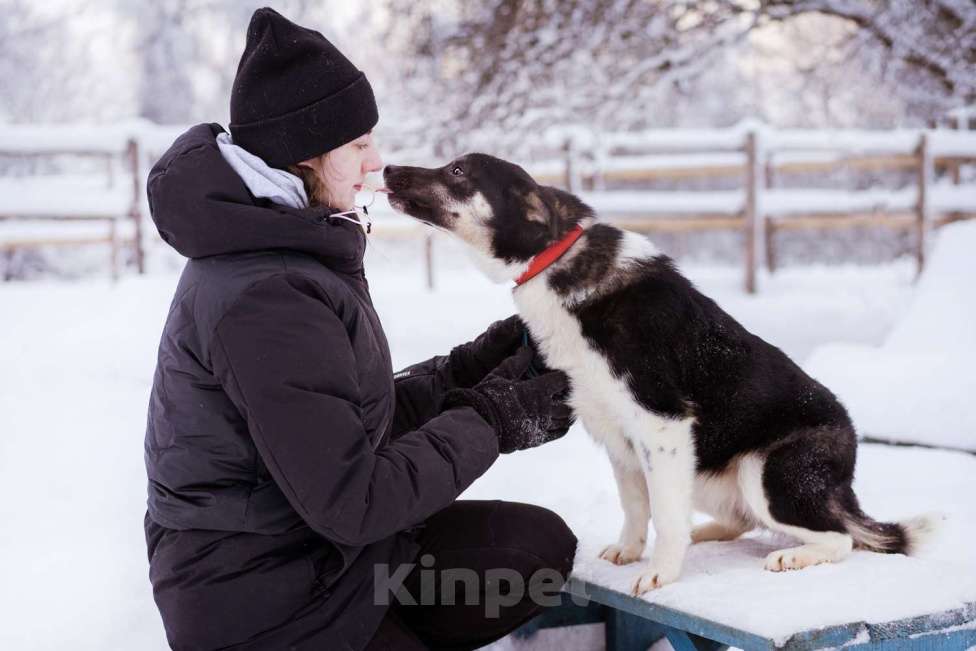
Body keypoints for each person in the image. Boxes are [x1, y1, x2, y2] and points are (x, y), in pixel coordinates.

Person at [143, 8, 578, 651]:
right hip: (265, 606)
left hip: (314, 559)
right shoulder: (268, 297)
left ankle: (387, 627)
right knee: (508, 565)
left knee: (528, 554)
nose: (376, 159)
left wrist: (465, 371)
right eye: (358, 143)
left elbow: (341, 429)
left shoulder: (283, 251)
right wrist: (490, 420)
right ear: (306, 155)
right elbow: (354, 501)